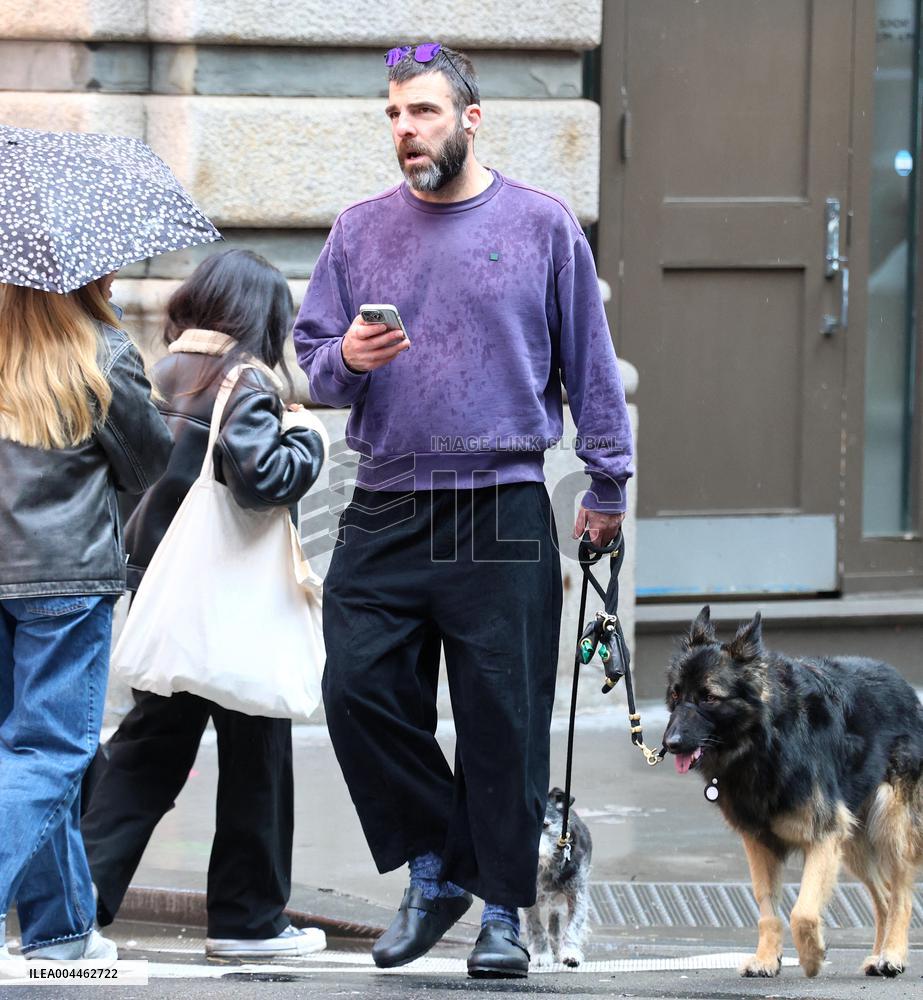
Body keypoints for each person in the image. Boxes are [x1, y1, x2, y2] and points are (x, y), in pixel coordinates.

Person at [293, 44, 634, 978]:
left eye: (424, 113)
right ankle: (438, 865)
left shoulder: (541, 226)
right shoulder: (358, 230)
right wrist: (346, 364)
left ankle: (501, 913)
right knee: (354, 690)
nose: (405, 130)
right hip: (386, 502)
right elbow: (312, 359)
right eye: (394, 114)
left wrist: (606, 485)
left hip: (503, 504)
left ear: (470, 119)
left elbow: (590, 367)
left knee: (503, 723)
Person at [81, 250, 328, 959]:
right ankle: (248, 920)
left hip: (166, 593)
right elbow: (262, 479)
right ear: (261, 315)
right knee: (257, 754)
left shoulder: (161, 372)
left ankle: (77, 906)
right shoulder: (244, 381)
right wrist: (305, 437)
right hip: (231, 604)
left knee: (145, 757)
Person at [0, 274, 173, 965]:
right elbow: (147, 462)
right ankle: (59, 926)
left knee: (27, 755)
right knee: (49, 753)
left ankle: (62, 927)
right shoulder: (100, 351)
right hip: (65, 578)